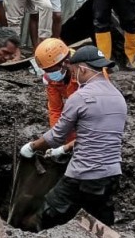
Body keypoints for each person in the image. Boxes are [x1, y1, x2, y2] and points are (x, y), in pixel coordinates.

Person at [19, 45, 125, 228]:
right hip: (111, 173)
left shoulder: (80, 97)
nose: (74, 74)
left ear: (82, 69)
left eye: (75, 70)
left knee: (49, 212)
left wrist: (32, 147)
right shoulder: (118, 98)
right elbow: (98, 135)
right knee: (101, 220)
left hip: (84, 173)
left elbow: (56, 136)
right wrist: (65, 148)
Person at [34, 38, 79, 131]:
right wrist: (55, 137)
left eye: (51, 71)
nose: (50, 76)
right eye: (46, 71)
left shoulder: (87, 72)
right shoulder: (52, 79)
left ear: (65, 63)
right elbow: (55, 110)